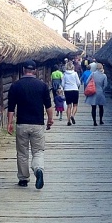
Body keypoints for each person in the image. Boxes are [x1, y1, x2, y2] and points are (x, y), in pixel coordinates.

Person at [7, 60, 54, 189]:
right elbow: (48, 106)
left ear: (23, 70)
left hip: (22, 123)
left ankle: (23, 178)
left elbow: (11, 107)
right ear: (34, 70)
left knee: (22, 152)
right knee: (38, 151)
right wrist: (50, 120)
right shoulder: (42, 86)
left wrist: (9, 123)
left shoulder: (15, 86)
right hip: (37, 124)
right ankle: (38, 169)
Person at [62, 61, 81, 126]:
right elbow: (78, 82)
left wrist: (65, 88)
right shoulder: (75, 73)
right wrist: (77, 87)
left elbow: (62, 84)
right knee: (75, 105)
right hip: (75, 90)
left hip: (67, 90)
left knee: (69, 106)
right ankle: (72, 115)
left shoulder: (64, 74)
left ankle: (68, 121)